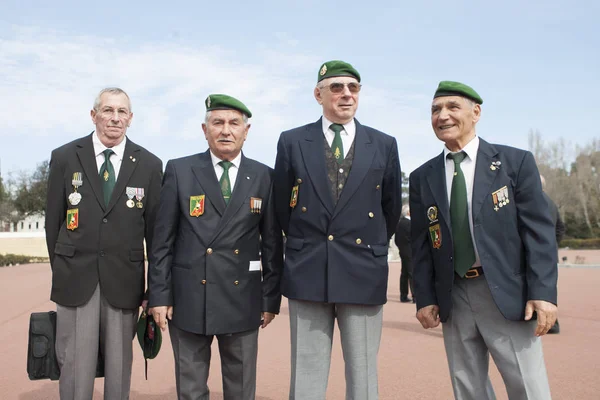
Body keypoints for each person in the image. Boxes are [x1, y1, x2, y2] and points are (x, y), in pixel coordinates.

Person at [410, 81, 558, 399]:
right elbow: (421, 244)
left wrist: (543, 292)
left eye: (452, 107)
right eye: (435, 109)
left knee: (526, 384)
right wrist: (424, 297)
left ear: (476, 113)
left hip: (506, 291)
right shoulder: (423, 176)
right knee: (467, 386)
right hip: (454, 292)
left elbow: (539, 233)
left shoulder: (514, 163)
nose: (442, 116)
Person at [274, 60, 402, 399]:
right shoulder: (292, 141)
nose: (346, 94)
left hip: (362, 267)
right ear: (318, 94)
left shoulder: (384, 144)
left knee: (363, 374)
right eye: (336, 87)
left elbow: (390, 208)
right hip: (308, 268)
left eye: (353, 88)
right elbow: (282, 207)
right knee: (307, 371)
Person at [148, 94, 283, 400]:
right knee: (191, 389)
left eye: (234, 123)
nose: (226, 130)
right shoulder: (181, 170)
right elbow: (162, 240)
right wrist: (158, 294)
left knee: (241, 388)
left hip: (243, 298)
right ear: (204, 129)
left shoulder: (264, 176)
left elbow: (272, 243)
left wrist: (270, 298)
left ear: (246, 131)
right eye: (217, 122)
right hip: (189, 297)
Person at [45, 87, 163, 399]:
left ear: (131, 118)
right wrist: (62, 268)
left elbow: (156, 235)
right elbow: (52, 223)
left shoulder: (150, 165)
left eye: (121, 111)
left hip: (124, 281)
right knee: (73, 365)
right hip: (75, 278)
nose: (114, 118)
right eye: (107, 110)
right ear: (93, 115)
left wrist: (154, 290)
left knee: (119, 367)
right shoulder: (64, 157)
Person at [540, 174, 566, 334]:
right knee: (548, 286)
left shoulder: (532, 201)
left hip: (536, 252)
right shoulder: (551, 202)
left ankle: (550, 323)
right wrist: (553, 245)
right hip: (550, 253)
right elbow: (561, 227)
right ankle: (551, 322)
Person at [395, 204, 415, 303]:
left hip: (402, 251)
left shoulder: (399, 223)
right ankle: (415, 296)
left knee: (404, 274)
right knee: (412, 273)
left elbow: (396, 239)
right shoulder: (410, 224)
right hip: (410, 251)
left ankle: (403, 295)